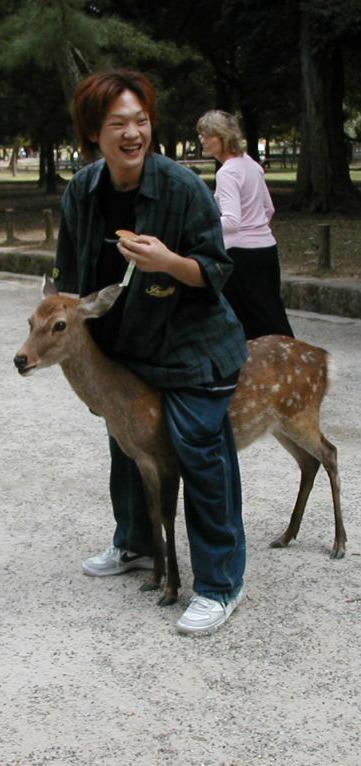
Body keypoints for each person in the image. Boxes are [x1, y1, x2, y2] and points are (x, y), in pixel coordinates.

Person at [53, 70, 248, 636]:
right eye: (118, 123)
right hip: (127, 344)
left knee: (198, 452)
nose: (133, 132)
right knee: (127, 442)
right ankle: (136, 544)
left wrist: (167, 262)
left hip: (193, 346)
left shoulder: (183, 188)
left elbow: (215, 270)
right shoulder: (82, 191)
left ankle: (219, 582)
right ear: (94, 131)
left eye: (141, 120)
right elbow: (72, 273)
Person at [196, 110, 293, 340]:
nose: (202, 140)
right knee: (271, 314)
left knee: (242, 322)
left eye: (207, 134)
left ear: (222, 137)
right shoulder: (251, 165)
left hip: (241, 257)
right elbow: (269, 209)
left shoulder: (227, 173)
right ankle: (288, 362)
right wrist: (257, 230)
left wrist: (201, 228)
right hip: (267, 250)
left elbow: (231, 222)